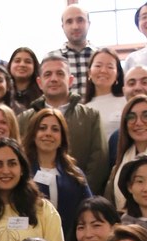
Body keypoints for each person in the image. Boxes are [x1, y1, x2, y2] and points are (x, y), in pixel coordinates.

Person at [18, 55, 109, 194]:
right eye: (47, 74)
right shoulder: (24, 119)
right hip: (32, 198)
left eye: (60, 73)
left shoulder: (91, 117)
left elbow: (99, 161)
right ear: (39, 82)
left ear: (70, 80)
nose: (54, 79)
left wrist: (81, 194)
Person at [21, 107, 93, 224]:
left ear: (62, 138)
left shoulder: (75, 174)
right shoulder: (21, 172)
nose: (48, 133)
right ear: (33, 135)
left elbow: (89, 210)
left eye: (55, 129)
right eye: (42, 128)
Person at [50, 4, 94, 98]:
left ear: (89, 24)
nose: (75, 26)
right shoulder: (51, 59)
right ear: (63, 27)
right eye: (69, 22)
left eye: (80, 20)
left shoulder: (100, 57)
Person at [84, 48, 127, 142]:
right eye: (98, 65)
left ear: (117, 75)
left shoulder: (127, 102)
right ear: (89, 73)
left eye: (110, 67)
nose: (103, 70)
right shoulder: (83, 109)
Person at [7, 47, 42, 113]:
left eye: (28, 62)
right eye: (17, 61)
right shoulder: (4, 93)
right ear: (10, 65)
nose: (22, 64)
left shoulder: (42, 96)